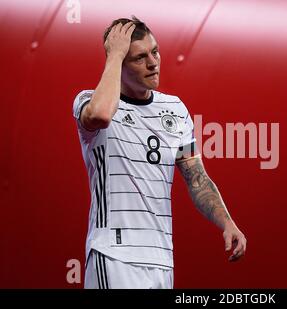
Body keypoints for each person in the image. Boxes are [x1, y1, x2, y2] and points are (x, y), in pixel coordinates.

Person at [72, 16, 247, 289]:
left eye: (155, 51)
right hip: (115, 254)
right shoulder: (88, 101)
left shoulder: (175, 109)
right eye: (139, 57)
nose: (153, 63)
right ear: (118, 63)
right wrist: (115, 55)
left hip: (162, 259)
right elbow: (102, 115)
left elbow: (196, 177)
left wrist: (227, 222)